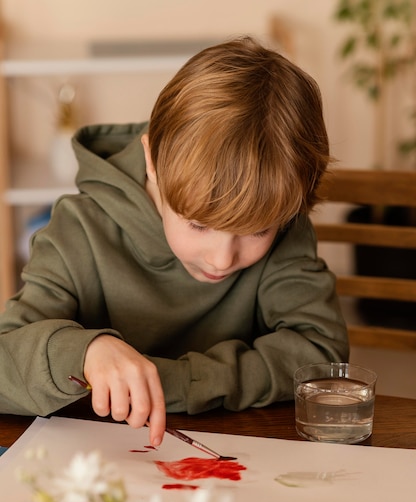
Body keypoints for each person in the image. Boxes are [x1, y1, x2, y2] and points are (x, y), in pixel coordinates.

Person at [0, 36, 349, 446]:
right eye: (199, 225)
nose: (222, 259)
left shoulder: (282, 217)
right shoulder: (77, 230)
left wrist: (177, 381)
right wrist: (84, 354)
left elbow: (321, 354)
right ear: (152, 161)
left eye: (257, 231)